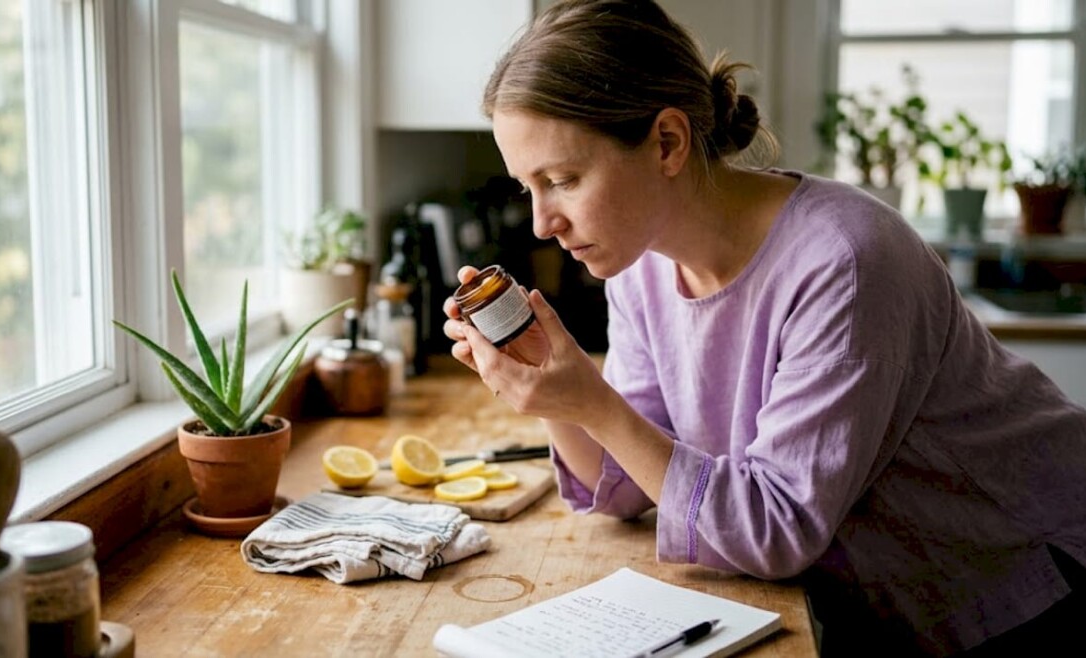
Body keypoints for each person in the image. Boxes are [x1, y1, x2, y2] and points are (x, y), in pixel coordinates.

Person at [440, 1, 1086, 656]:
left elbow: (774, 529)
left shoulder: (845, 259)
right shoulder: (640, 268)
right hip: (885, 601)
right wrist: (551, 387)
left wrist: (591, 403)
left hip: (1029, 580)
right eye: (529, 188)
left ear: (667, 142)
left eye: (563, 180)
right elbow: (632, 484)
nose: (542, 223)